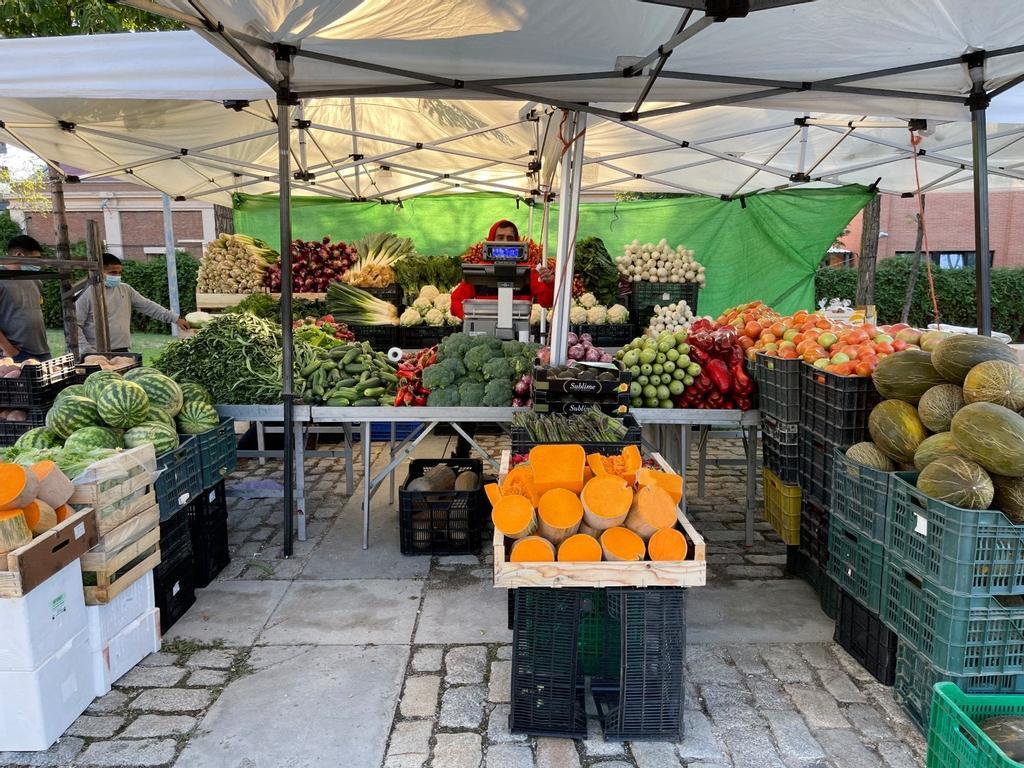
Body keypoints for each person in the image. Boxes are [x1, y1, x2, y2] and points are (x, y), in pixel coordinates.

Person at [76, 253, 190, 354]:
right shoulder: (85, 293)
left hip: (121, 350)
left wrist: (175, 318)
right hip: (95, 352)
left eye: (119, 273)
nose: (117, 276)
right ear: (100, 272)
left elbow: (148, 306)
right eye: (112, 272)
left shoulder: (125, 289)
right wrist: (87, 351)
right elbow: (76, 325)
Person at [449, 220, 555, 319]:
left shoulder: (529, 271)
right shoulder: (478, 271)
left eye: (510, 238)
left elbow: (547, 303)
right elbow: (455, 302)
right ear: (491, 240)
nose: (505, 242)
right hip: (483, 331)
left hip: (519, 332)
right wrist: (470, 318)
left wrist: (549, 285)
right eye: (500, 237)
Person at [0, 235, 51, 362]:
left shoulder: (34, 279)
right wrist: (9, 350)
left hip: (42, 351)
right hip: (15, 354)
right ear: (19, 255)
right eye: (36, 260)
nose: (38, 264)